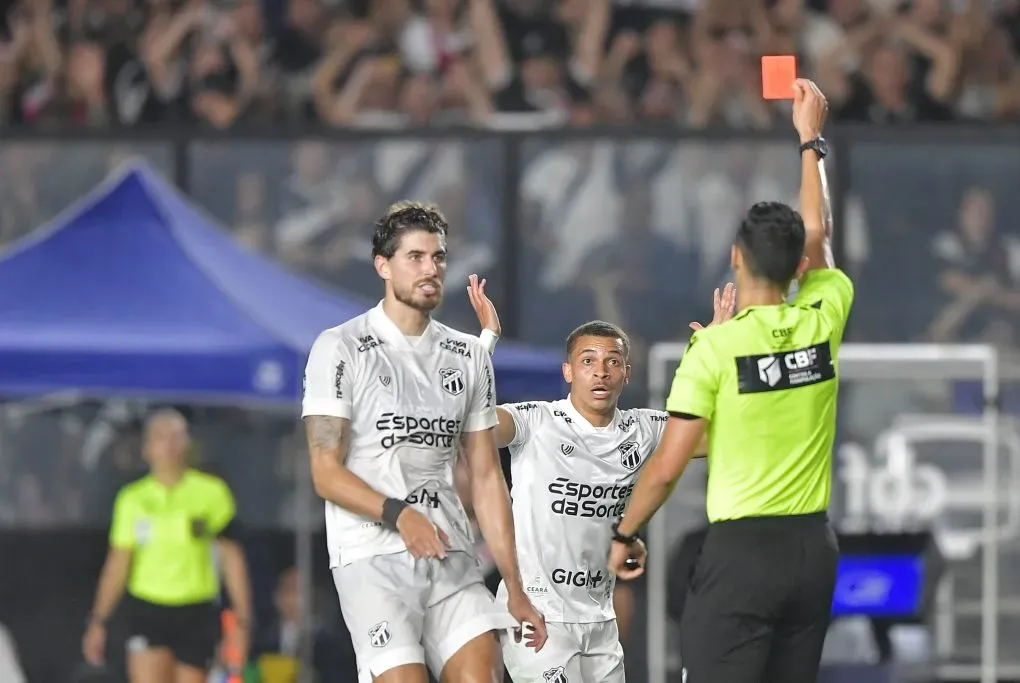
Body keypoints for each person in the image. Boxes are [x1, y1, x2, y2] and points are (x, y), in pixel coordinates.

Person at [608, 78, 850, 683]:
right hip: (813, 552)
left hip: (741, 558)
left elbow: (667, 466)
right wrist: (809, 141)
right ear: (799, 268)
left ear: (735, 258)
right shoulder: (824, 316)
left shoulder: (713, 349)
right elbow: (818, 240)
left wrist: (625, 532)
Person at [301, 202, 546, 683]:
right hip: (371, 558)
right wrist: (399, 513)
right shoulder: (341, 347)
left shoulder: (468, 356)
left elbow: (485, 475)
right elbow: (325, 473)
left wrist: (515, 586)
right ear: (383, 265)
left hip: (450, 553)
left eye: (438, 258)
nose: (430, 269)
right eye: (415, 257)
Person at [464, 275, 735, 683]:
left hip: (600, 619)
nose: (601, 372)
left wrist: (713, 356)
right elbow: (468, 422)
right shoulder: (536, 421)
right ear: (568, 372)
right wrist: (487, 339)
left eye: (612, 362)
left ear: (627, 373)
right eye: (588, 361)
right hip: (537, 615)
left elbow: (723, 434)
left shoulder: (644, 430)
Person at [82, 408, 252, 683]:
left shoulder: (212, 493)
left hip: (196, 609)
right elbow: (118, 562)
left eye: (177, 436)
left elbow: (232, 559)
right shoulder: (133, 499)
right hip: (148, 608)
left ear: (188, 443)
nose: (170, 445)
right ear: (147, 447)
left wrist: (242, 622)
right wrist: (99, 620)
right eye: (161, 437)